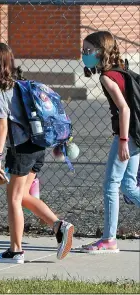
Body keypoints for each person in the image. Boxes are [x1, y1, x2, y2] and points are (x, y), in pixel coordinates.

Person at [0, 43, 74, 264]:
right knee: (21, 196)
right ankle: (59, 226)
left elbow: (2, 127)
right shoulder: (19, 84)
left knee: (13, 198)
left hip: (22, 149)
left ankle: (15, 251)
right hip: (38, 146)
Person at [80, 31, 140, 254]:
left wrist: (123, 140)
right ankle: (109, 239)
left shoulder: (107, 77)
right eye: (83, 51)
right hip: (137, 134)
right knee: (128, 185)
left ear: (100, 52)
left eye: (88, 51)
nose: (84, 55)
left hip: (128, 135)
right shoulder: (121, 69)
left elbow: (124, 109)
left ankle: (109, 240)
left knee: (111, 185)